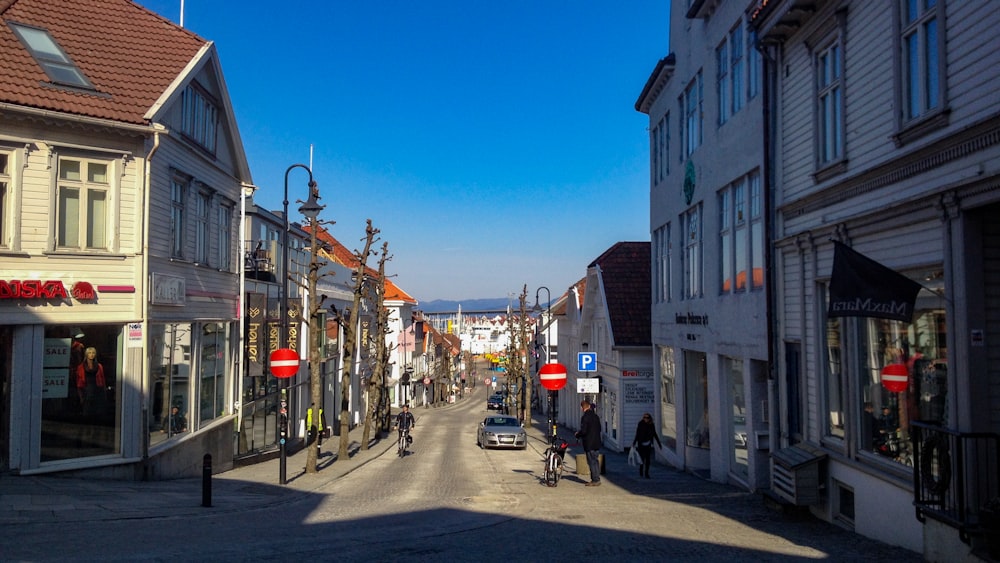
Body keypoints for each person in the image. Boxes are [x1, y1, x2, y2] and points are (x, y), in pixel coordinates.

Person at [575, 399, 602, 487]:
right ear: (589, 406)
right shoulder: (596, 416)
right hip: (597, 442)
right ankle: (597, 477)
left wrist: (577, 434)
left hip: (589, 443)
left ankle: (595, 480)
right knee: (596, 460)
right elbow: (600, 429)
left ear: (582, 408)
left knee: (591, 461)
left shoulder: (585, 417)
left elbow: (584, 431)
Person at [75, 346, 106, 417]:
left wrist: (104, 391)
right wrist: (80, 395)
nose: (91, 354)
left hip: (97, 389)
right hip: (86, 389)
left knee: (98, 411)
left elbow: (102, 379)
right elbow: (78, 381)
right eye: (89, 353)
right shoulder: (81, 367)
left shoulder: (99, 366)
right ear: (86, 354)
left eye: (93, 353)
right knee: (87, 409)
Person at [632, 412, 661, 478]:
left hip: (648, 444)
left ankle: (647, 473)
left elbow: (654, 434)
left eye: (647, 417)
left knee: (648, 460)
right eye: (644, 417)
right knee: (642, 459)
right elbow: (637, 434)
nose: (646, 419)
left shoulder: (651, 425)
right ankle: (641, 470)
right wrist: (634, 443)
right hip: (641, 444)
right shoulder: (640, 424)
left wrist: (659, 443)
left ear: (649, 418)